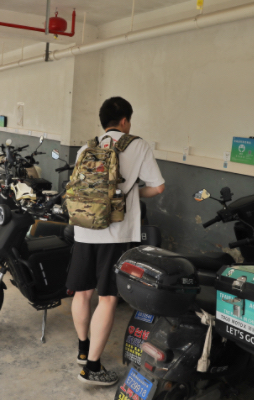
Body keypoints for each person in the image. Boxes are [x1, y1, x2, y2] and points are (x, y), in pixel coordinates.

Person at [66, 97, 165, 385]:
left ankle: (83, 350)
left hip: (84, 228)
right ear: (124, 121)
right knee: (108, 298)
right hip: (116, 232)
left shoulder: (87, 147)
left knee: (82, 292)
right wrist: (132, 194)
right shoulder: (137, 145)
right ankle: (92, 368)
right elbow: (158, 187)